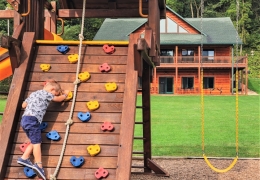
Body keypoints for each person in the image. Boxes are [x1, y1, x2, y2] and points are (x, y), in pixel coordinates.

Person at [17, 81, 69, 180]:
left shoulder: (34, 93)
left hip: (24, 120)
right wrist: (65, 94)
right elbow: (58, 99)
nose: (53, 95)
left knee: (34, 140)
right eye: (55, 93)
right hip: (33, 120)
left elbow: (23, 105)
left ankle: (24, 157)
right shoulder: (47, 93)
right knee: (37, 143)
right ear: (52, 89)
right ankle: (39, 165)